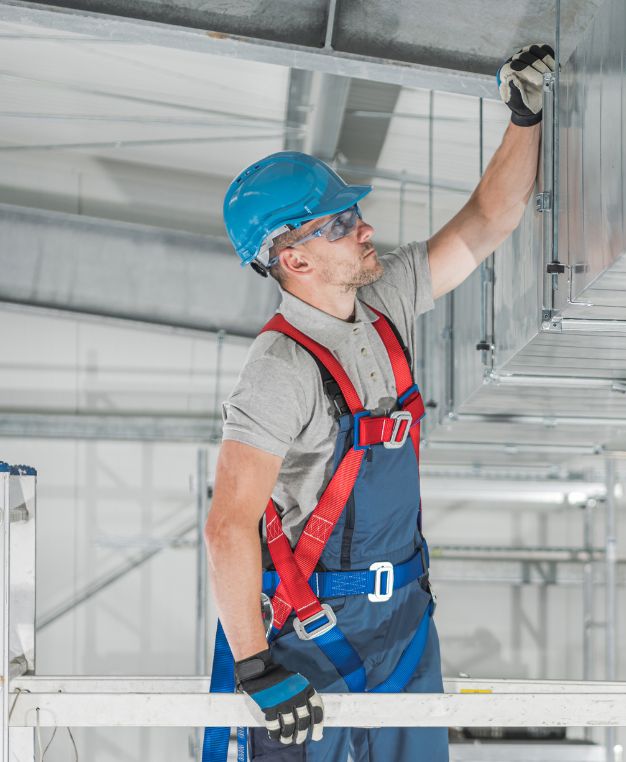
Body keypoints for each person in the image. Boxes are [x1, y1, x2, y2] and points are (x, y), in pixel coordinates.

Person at [202, 44, 555, 762]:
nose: (363, 228)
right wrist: (254, 669)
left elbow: (490, 218)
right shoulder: (281, 367)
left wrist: (524, 117)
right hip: (306, 636)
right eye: (339, 223)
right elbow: (228, 526)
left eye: (353, 212)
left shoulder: (384, 302)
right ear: (293, 258)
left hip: (403, 624)